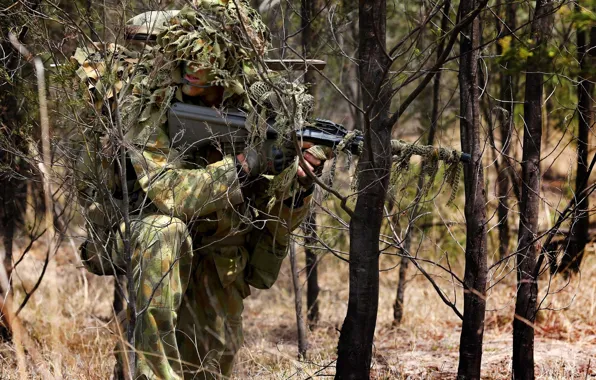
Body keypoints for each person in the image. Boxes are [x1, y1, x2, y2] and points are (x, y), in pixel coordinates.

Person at [73, 1, 328, 379]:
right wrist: (247, 163)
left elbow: (276, 208)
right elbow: (169, 192)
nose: (194, 74)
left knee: (211, 364)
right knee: (163, 232)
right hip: (147, 238)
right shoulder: (145, 105)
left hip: (219, 251)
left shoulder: (253, 105)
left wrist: (300, 185)